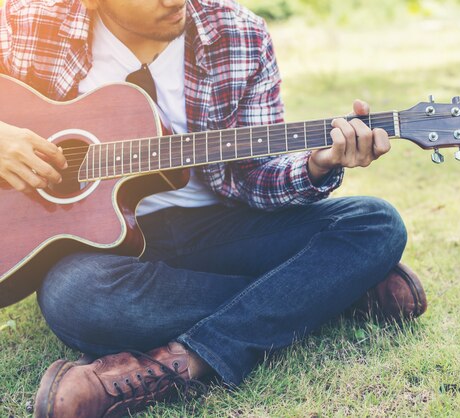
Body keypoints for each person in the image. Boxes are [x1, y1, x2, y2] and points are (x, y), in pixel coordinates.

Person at [0, 0, 427, 416]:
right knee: (74, 297)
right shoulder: (32, 21)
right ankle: (327, 291)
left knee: (376, 223)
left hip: (221, 226)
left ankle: (180, 364)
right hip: (106, 248)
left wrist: (317, 165)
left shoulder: (239, 33)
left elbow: (254, 177)